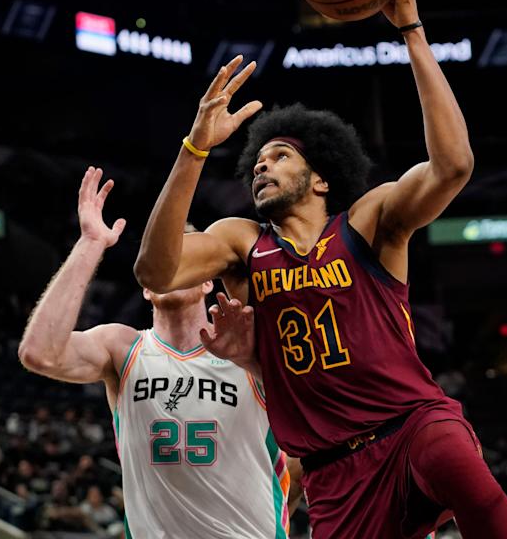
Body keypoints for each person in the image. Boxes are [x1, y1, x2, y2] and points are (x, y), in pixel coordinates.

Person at [134, 0, 507, 539]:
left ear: (320, 178)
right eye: (256, 162)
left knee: (471, 482)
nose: (261, 166)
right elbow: (155, 272)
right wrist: (195, 149)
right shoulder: (243, 243)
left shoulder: (367, 223)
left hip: (412, 425)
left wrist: (412, 31)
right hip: (332, 471)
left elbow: (453, 166)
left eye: (279, 156)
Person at [18, 167, 301, 538]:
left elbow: (309, 430)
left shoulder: (248, 347)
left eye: (181, 260)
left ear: (206, 280)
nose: (170, 270)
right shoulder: (122, 348)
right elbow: (39, 353)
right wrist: (91, 242)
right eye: (161, 265)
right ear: (147, 287)